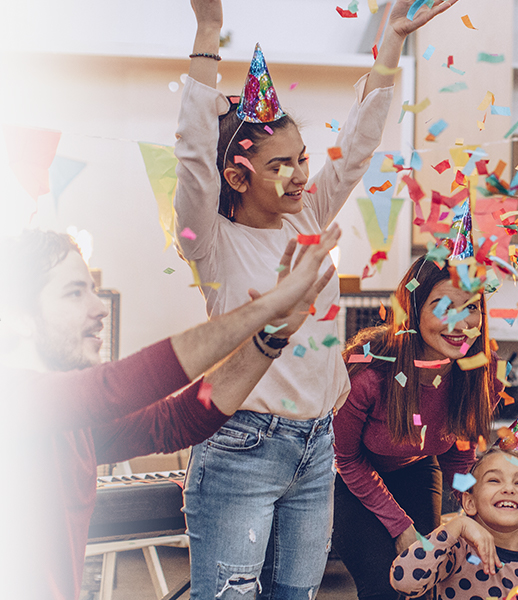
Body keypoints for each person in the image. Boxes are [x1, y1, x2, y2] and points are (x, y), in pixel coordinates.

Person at [173, 2, 459, 598]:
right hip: (242, 443)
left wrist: (390, 46)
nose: (302, 175)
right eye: (282, 165)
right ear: (237, 175)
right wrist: (206, 34)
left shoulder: (305, 215)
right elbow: (194, 157)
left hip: (315, 444)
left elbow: (355, 149)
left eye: (302, 158)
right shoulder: (210, 239)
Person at [1, 227, 339, 600]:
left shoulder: (73, 422)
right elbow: (115, 388)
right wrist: (265, 307)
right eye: (75, 293)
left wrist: (270, 336)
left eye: (92, 290)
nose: (99, 308)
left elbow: (179, 420)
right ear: (20, 318)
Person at [333, 255, 496, 600]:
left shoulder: (477, 371)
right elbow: (346, 459)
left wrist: (475, 506)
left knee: (422, 584)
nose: (461, 322)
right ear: (414, 310)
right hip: (352, 478)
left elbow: (458, 454)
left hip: (418, 471)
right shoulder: (368, 374)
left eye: (471, 307)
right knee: (384, 586)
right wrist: (400, 527)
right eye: (443, 306)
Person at [390, 448, 518, 600]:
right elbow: (403, 581)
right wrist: (457, 525)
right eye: (494, 480)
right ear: (470, 503)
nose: (509, 489)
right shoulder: (455, 552)